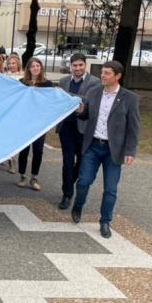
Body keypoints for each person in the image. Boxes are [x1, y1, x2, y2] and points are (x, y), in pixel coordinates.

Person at [71, 60, 140, 239]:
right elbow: (85, 115)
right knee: (84, 181)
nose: (103, 75)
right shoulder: (93, 92)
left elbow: (133, 128)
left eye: (107, 73)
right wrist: (80, 110)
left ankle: (105, 221)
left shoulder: (129, 98)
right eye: (102, 72)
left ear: (117, 77)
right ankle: (78, 206)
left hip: (113, 150)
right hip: (93, 145)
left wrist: (130, 151)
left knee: (110, 189)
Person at [56, 53, 101, 210]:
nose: (77, 68)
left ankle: (70, 182)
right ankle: (67, 194)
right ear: (70, 66)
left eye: (80, 65)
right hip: (66, 128)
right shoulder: (63, 81)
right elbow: (58, 102)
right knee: (67, 162)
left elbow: (87, 100)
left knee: (82, 162)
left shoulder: (95, 82)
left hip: (84, 129)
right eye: (75, 65)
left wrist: (65, 95)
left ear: (85, 65)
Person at [16, 57, 53, 190]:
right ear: (29, 69)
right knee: (24, 149)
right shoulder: (22, 82)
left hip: (40, 122)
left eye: (38, 66)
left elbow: (50, 101)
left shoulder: (47, 84)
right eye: (33, 66)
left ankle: (34, 177)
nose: (36, 68)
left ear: (41, 68)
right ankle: (22, 175)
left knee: (38, 150)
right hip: (25, 122)